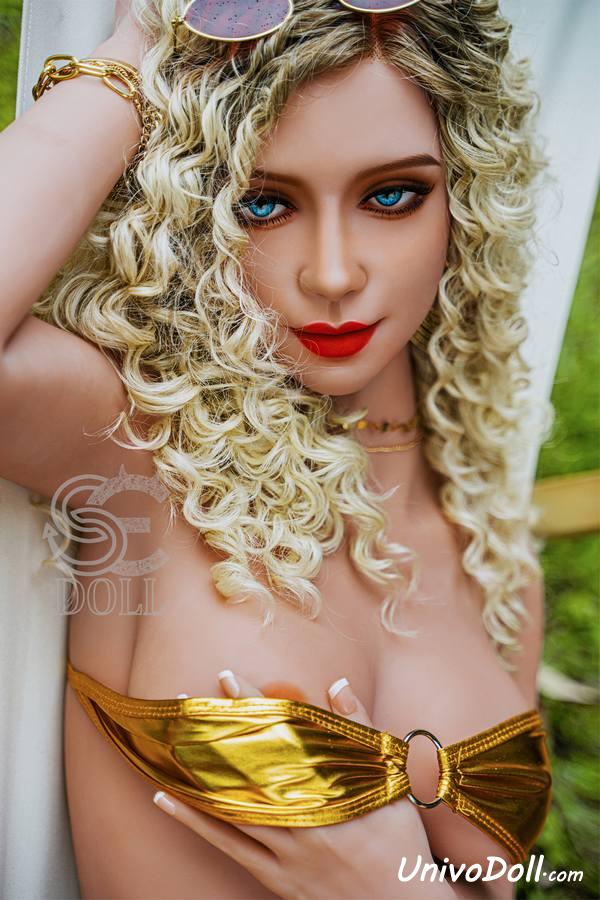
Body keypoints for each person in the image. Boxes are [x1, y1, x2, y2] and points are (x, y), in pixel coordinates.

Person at [0, 0, 554, 897]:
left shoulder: (494, 556)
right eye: (262, 203)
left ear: (468, 197)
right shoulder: (141, 449)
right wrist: (140, 53)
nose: (333, 273)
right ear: (191, 211)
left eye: (391, 196)